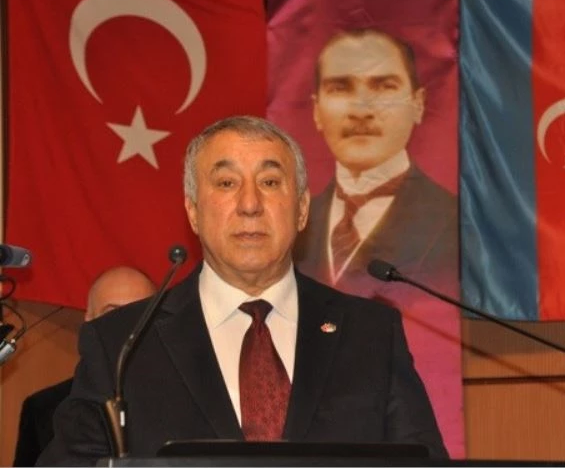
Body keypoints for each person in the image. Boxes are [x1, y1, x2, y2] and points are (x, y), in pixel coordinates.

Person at [37, 116, 446, 465]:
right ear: (193, 211)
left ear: (302, 209)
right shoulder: (122, 344)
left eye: (269, 181)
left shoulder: (370, 334)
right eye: (226, 182)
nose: (250, 204)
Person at [293, 28, 458, 295]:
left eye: (384, 87)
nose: (361, 111)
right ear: (316, 111)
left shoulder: (459, 224)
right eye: (340, 88)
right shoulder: (293, 227)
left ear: (418, 104)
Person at [13, 266, 156, 467]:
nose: (124, 325)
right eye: (112, 314)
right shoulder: (43, 408)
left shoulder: (182, 398)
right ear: (88, 321)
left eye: (137, 313)